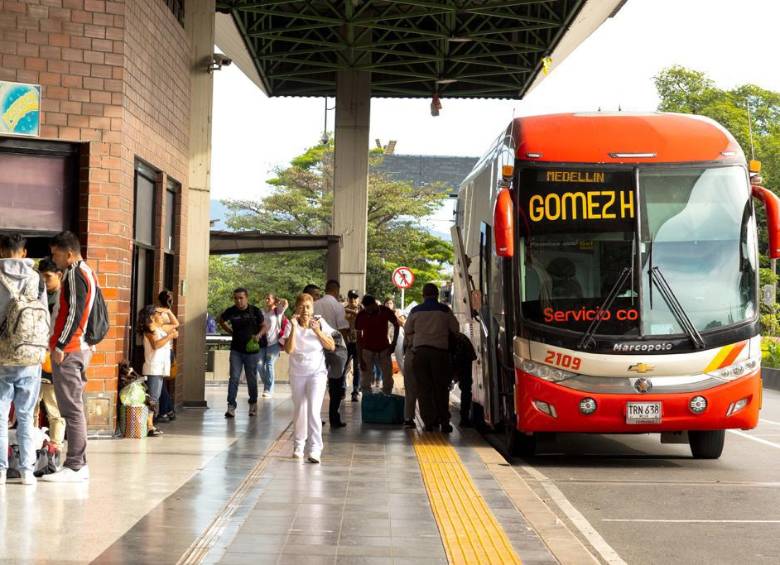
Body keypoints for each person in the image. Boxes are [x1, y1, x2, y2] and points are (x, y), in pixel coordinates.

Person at [41, 230, 99, 482]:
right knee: (74, 407)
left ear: (70, 253)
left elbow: (74, 311)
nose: (54, 259)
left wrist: (61, 345)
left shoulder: (75, 274)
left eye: (56, 254)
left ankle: (75, 465)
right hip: (79, 347)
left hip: (71, 349)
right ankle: (78, 463)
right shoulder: (87, 271)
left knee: (71, 409)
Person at [0, 234, 48, 486]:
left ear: (1, 251)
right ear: (24, 252)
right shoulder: (36, 278)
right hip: (30, 356)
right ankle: (27, 471)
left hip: (2, 355)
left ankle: (0, 470)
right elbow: (44, 316)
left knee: (0, 416)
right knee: (26, 415)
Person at [284, 293, 335, 463]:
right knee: (300, 410)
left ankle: (315, 449)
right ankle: (299, 445)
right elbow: (289, 350)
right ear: (296, 308)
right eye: (301, 307)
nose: (305, 310)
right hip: (297, 374)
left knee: (313, 411)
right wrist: (293, 328)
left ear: (312, 309)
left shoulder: (320, 322)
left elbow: (331, 346)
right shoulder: (291, 324)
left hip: (317, 374)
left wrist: (317, 331)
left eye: (308, 307)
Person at [404, 283, 459, 433]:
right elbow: (455, 329)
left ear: (423, 295)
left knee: (424, 389)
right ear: (437, 295)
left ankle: (428, 423)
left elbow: (407, 329)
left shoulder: (415, 311)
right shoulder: (445, 310)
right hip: (440, 354)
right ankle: (444, 422)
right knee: (441, 388)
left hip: (420, 354)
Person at [218, 287, 264, 418]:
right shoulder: (231, 311)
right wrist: (229, 331)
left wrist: (259, 335)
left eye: (241, 298)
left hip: (251, 351)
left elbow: (264, 326)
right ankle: (231, 406)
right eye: (236, 298)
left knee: (251, 378)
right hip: (236, 350)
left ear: (246, 298)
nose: (238, 301)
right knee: (234, 377)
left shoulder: (255, 311)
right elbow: (221, 320)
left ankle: (253, 403)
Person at [35, 258, 66, 451]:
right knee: (31, 406)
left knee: (54, 406)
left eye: (48, 277)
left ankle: (56, 445)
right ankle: (32, 442)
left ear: (59, 275)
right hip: (36, 357)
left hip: (54, 358)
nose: (44, 281)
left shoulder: (65, 298)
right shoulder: (38, 295)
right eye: (41, 277)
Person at [137, 305, 178, 436]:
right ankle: (149, 426)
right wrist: (170, 336)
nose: (161, 316)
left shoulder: (159, 329)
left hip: (159, 368)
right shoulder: (149, 331)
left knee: (155, 396)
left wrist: (168, 311)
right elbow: (156, 345)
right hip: (153, 368)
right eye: (158, 314)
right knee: (153, 397)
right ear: (151, 316)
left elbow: (175, 323)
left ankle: (150, 424)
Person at [314, 280, 349, 428]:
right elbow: (343, 328)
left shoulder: (315, 304)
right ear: (336, 290)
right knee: (336, 384)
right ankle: (334, 418)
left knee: (318, 384)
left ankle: (316, 417)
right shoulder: (338, 306)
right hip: (335, 347)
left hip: (318, 347)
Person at [355, 294, 399, 395]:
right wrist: (360, 359)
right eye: (366, 309)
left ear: (374, 304)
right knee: (365, 380)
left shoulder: (385, 310)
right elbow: (358, 339)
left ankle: (387, 396)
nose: (368, 312)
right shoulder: (361, 315)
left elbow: (397, 325)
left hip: (384, 349)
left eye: (370, 309)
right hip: (367, 350)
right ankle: (367, 398)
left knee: (388, 378)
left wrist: (394, 343)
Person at [156, 290, 179, 422]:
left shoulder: (157, 313)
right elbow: (175, 327)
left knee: (160, 383)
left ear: (158, 300)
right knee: (162, 382)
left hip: (161, 351)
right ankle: (169, 410)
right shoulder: (169, 314)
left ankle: (165, 411)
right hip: (168, 351)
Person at [259, 294, 288, 398]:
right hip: (263, 342)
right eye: (266, 298)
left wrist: (279, 300)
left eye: (269, 298)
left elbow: (285, 303)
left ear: (274, 300)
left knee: (269, 364)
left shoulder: (278, 311)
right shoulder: (262, 312)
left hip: (274, 343)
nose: (266, 300)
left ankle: (268, 389)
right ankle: (267, 383)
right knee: (259, 364)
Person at [449, 331, 477, 427]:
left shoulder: (442, 339)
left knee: (443, 388)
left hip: (459, 358)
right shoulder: (461, 338)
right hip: (464, 358)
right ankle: (464, 419)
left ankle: (443, 418)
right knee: (466, 389)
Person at [343, 290, 362, 401]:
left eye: (355, 298)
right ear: (348, 299)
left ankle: (355, 391)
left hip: (359, 343)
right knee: (344, 367)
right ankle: (342, 389)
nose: (353, 300)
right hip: (347, 342)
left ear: (358, 299)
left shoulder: (362, 310)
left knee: (357, 368)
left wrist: (354, 313)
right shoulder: (343, 310)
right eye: (351, 298)